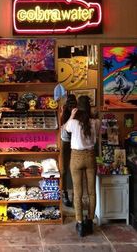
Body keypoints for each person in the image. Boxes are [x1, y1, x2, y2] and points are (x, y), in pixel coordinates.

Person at [64, 95, 100, 237]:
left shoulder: (73, 123)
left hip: (76, 157)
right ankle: (90, 222)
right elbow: (96, 127)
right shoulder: (95, 122)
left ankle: (79, 224)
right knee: (91, 192)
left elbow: (65, 130)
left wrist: (71, 116)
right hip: (90, 157)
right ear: (89, 107)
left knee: (77, 193)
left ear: (78, 108)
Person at [60, 94, 77, 207]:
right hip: (70, 142)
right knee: (68, 170)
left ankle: (70, 195)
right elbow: (64, 127)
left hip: (71, 142)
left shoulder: (76, 112)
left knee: (69, 171)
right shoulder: (70, 112)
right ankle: (68, 195)